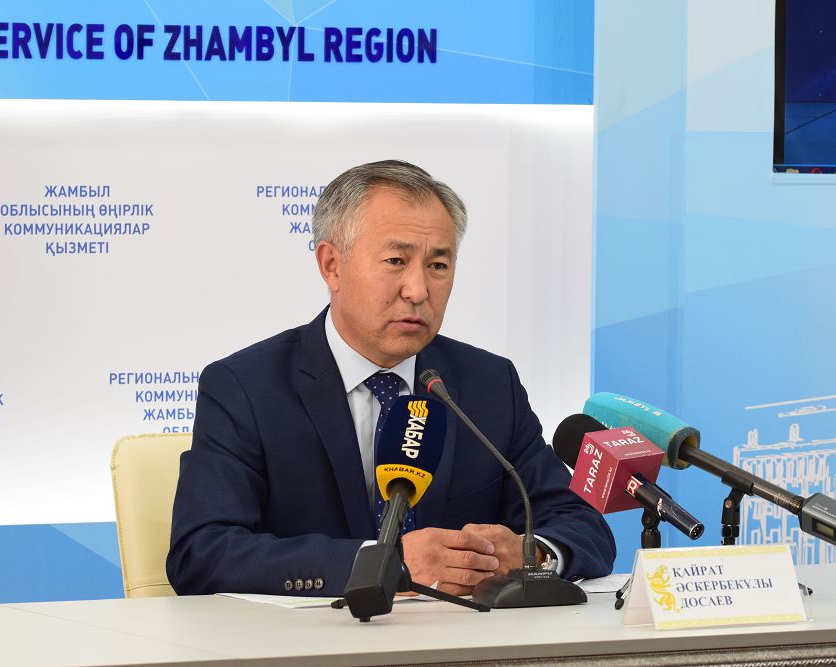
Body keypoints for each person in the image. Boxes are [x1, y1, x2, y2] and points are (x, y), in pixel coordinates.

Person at [167, 160, 615, 597]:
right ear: (331, 265)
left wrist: (533, 554)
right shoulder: (246, 388)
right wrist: (384, 563)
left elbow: (582, 525)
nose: (418, 290)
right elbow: (201, 553)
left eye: (438, 266)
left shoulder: (489, 384)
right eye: (396, 260)